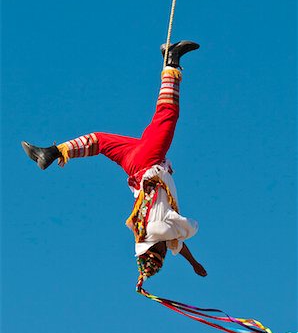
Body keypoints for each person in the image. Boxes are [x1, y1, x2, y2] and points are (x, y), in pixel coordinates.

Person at [21, 41, 207, 287]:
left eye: (161, 253)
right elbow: (176, 245)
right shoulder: (143, 233)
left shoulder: (160, 230)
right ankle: (53, 152)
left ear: (155, 249)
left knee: (167, 116)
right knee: (100, 141)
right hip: (134, 167)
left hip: (148, 161)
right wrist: (192, 264)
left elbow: (179, 238)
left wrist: (186, 262)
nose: (166, 250)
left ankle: (171, 61)